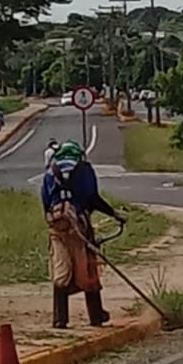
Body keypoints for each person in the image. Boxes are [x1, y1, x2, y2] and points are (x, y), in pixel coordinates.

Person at [40, 140, 124, 329]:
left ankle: (60, 319)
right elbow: (93, 198)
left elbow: (45, 202)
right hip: (79, 225)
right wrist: (114, 214)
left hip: (57, 227)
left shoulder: (49, 172)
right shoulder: (84, 169)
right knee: (88, 267)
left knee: (61, 267)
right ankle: (96, 315)